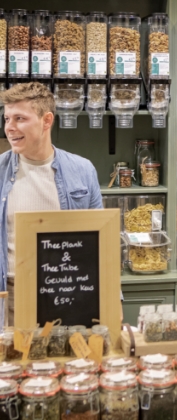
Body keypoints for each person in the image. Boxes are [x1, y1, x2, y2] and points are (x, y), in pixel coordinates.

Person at [0, 82, 103, 323]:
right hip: (11, 294)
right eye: (6, 119)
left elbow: (100, 243)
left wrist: (113, 299)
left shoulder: (82, 170)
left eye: (19, 119)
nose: (10, 128)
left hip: (69, 290)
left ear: (47, 121)